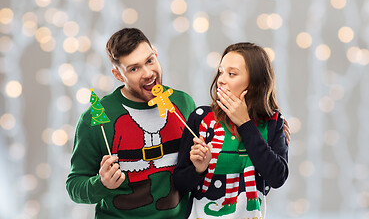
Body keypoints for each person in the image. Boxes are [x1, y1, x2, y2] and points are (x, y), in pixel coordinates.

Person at [66, 28, 196, 218]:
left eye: (150, 61)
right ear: (118, 75)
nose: (148, 73)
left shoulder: (183, 103)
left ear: (156, 56)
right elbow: (74, 186)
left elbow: (192, 172)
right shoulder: (95, 118)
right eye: (134, 69)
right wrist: (102, 184)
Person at [173, 42, 289, 218]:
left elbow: (277, 178)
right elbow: (180, 183)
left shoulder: (273, 122)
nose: (221, 79)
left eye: (232, 74)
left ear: (255, 83)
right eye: (221, 72)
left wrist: (245, 124)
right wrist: (198, 169)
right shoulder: (200, 118)